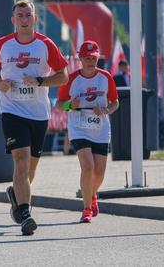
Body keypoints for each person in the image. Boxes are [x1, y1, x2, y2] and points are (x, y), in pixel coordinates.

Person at [0, 0, 68, 236]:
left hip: (38, 112)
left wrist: (41, 81)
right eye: (19, 15)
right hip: (12, 110)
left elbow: (63, 76)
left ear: (35, 18)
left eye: (27, 15)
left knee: (29, 170)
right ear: (13, 20)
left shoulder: (45, 44)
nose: (23, 19)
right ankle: (25, 214)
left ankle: (16, 196)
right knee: (20, 162)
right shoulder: (3, 45)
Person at [56, 40, 119, 223]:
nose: (91, 61)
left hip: (100, 128)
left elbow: (115, 102)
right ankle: (86, 209)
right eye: (87, 58)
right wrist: (70, 105)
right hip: (79, 126)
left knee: (99, 172)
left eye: (94, 58)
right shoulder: (72, 78)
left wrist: (106, 110)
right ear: (80, 59)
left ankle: (92, 196)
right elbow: (59, 104)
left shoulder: (105, 77)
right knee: (88, 166)